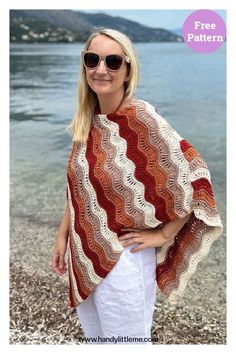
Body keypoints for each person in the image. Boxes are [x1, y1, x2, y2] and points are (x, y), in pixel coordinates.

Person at [52, 28, 223, 345]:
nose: (101, 69)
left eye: (113, 61)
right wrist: (63, 235)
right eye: (93, 59)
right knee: (99, 341)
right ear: (85, 65)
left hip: (123, 263)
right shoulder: (87, 121)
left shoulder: (140, 118)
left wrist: (163, 234)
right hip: (84, 252)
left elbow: (195, 174)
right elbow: (79, 187)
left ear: (128, 69)